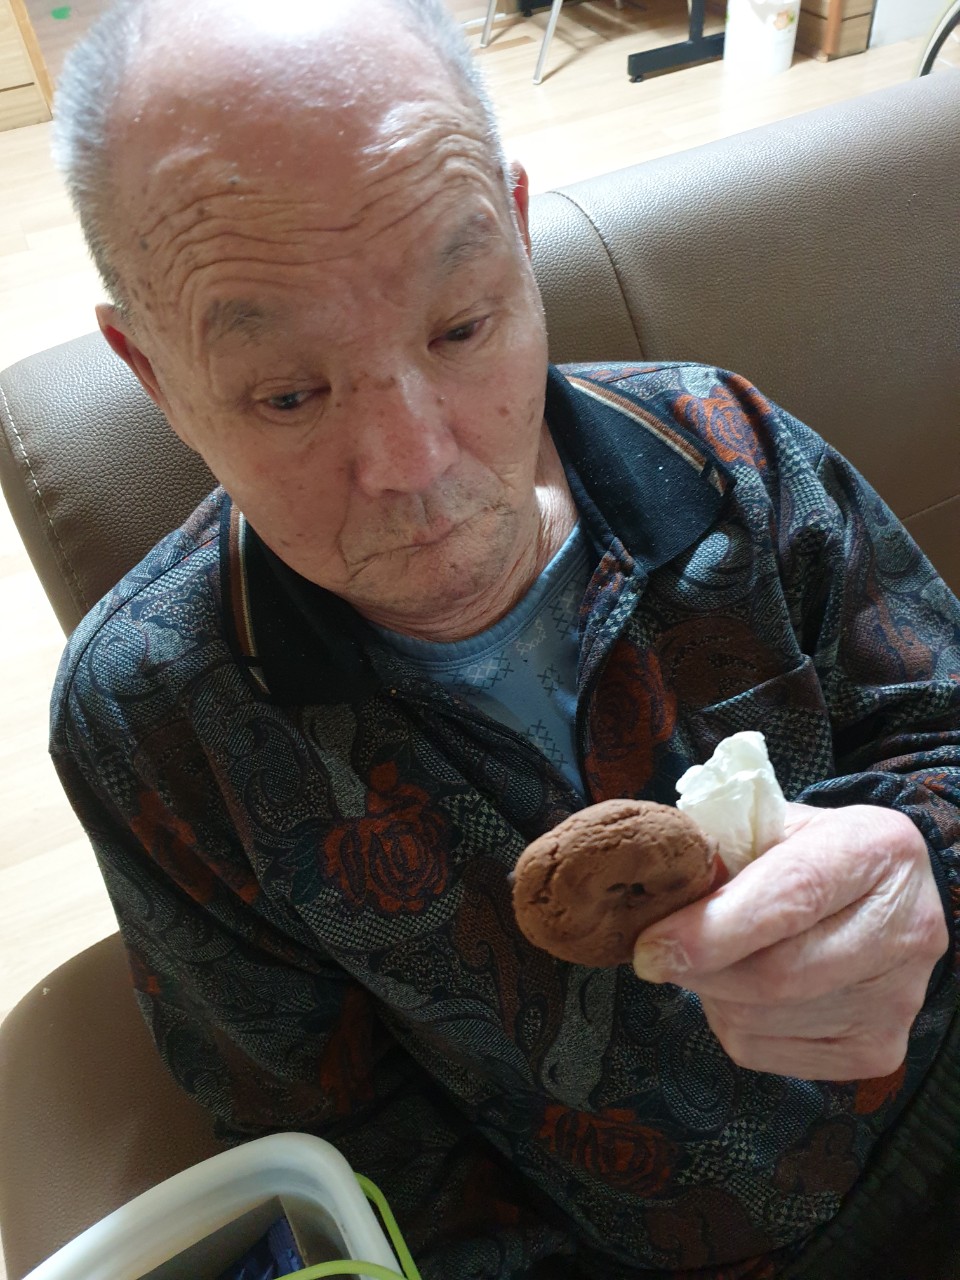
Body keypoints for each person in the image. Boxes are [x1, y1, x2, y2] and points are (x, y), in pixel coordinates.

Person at [48, 0, 960, 1276]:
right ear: (153, 375)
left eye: (462, 325)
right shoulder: (155, 716)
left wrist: (928, 861)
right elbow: (332, 1133)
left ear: (519, 240)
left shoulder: (726, 453)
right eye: (290, 393)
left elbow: (942, 721)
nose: (416, 462)